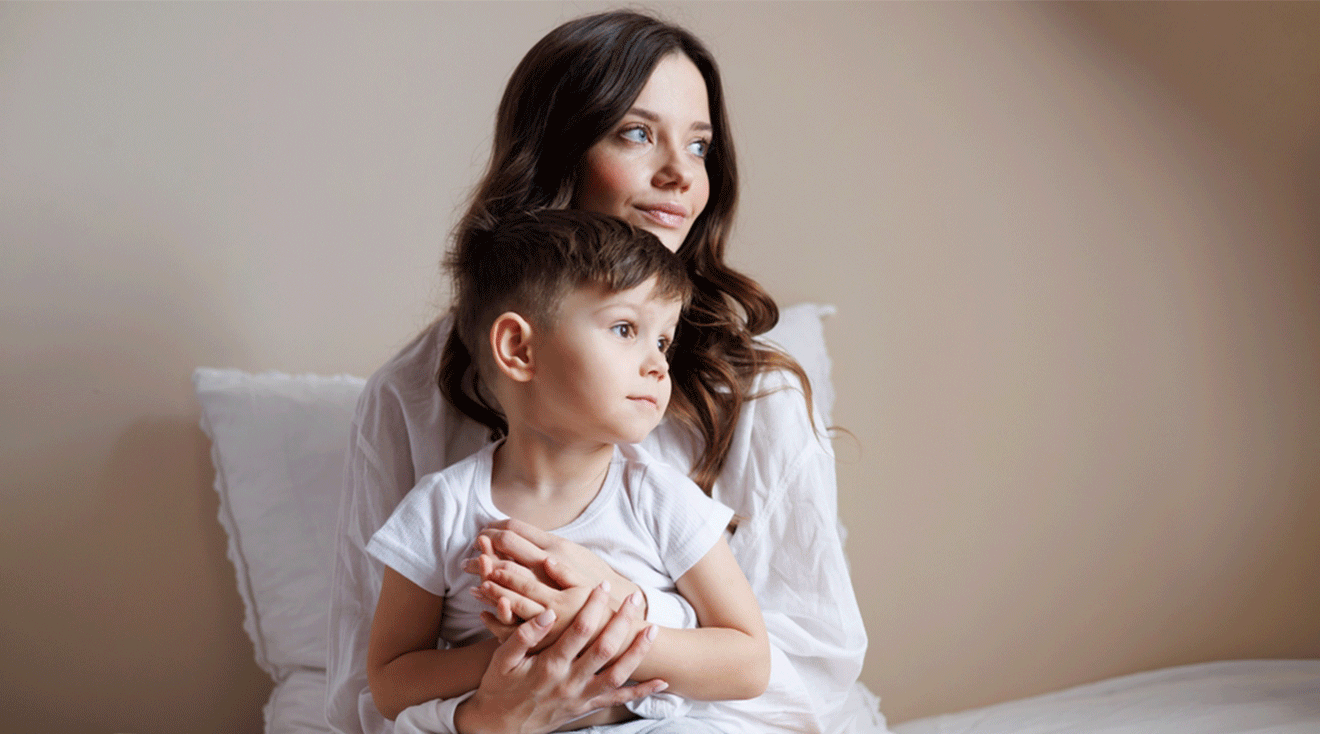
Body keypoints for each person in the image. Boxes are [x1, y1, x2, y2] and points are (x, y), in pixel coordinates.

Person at [328, 9, 879, 734]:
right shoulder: (409, 402)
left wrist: (619, 615)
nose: (681, 174)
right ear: (555, 152)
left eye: (701, 144)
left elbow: (809, 668)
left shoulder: (755, 394)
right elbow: (363, 696)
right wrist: (491, 714)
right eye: (637, 132)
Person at [366, 210, 770, 733]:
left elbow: (748, 662)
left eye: (663, 341)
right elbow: (390, 682)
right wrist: (521, 652)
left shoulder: (658, 496)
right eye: (626, 328)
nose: (658, 364)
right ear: (519, 348)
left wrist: (598, 629)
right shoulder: (441, 507)